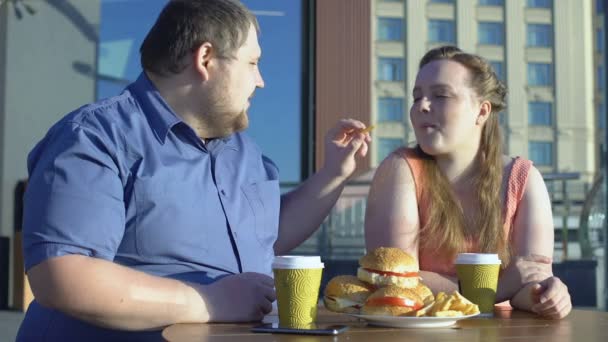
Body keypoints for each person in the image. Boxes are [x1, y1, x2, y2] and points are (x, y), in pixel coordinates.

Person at [17, 0, 371, 340]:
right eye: (252, 63)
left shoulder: (244, 152)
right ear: (206, 58)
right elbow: (60, 275)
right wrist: (207, 301)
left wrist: (333, 175)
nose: (261, 81)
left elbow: (267, 236)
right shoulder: (95, 136)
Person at [364, 45, 571, 319]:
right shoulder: (400, 170)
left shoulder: (524, 179)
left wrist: (545, 295)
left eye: (440, 95)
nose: (422, 106)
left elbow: (528, 281)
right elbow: (395, 283)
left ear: (482, 111)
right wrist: (495, 289)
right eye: (417, 97)